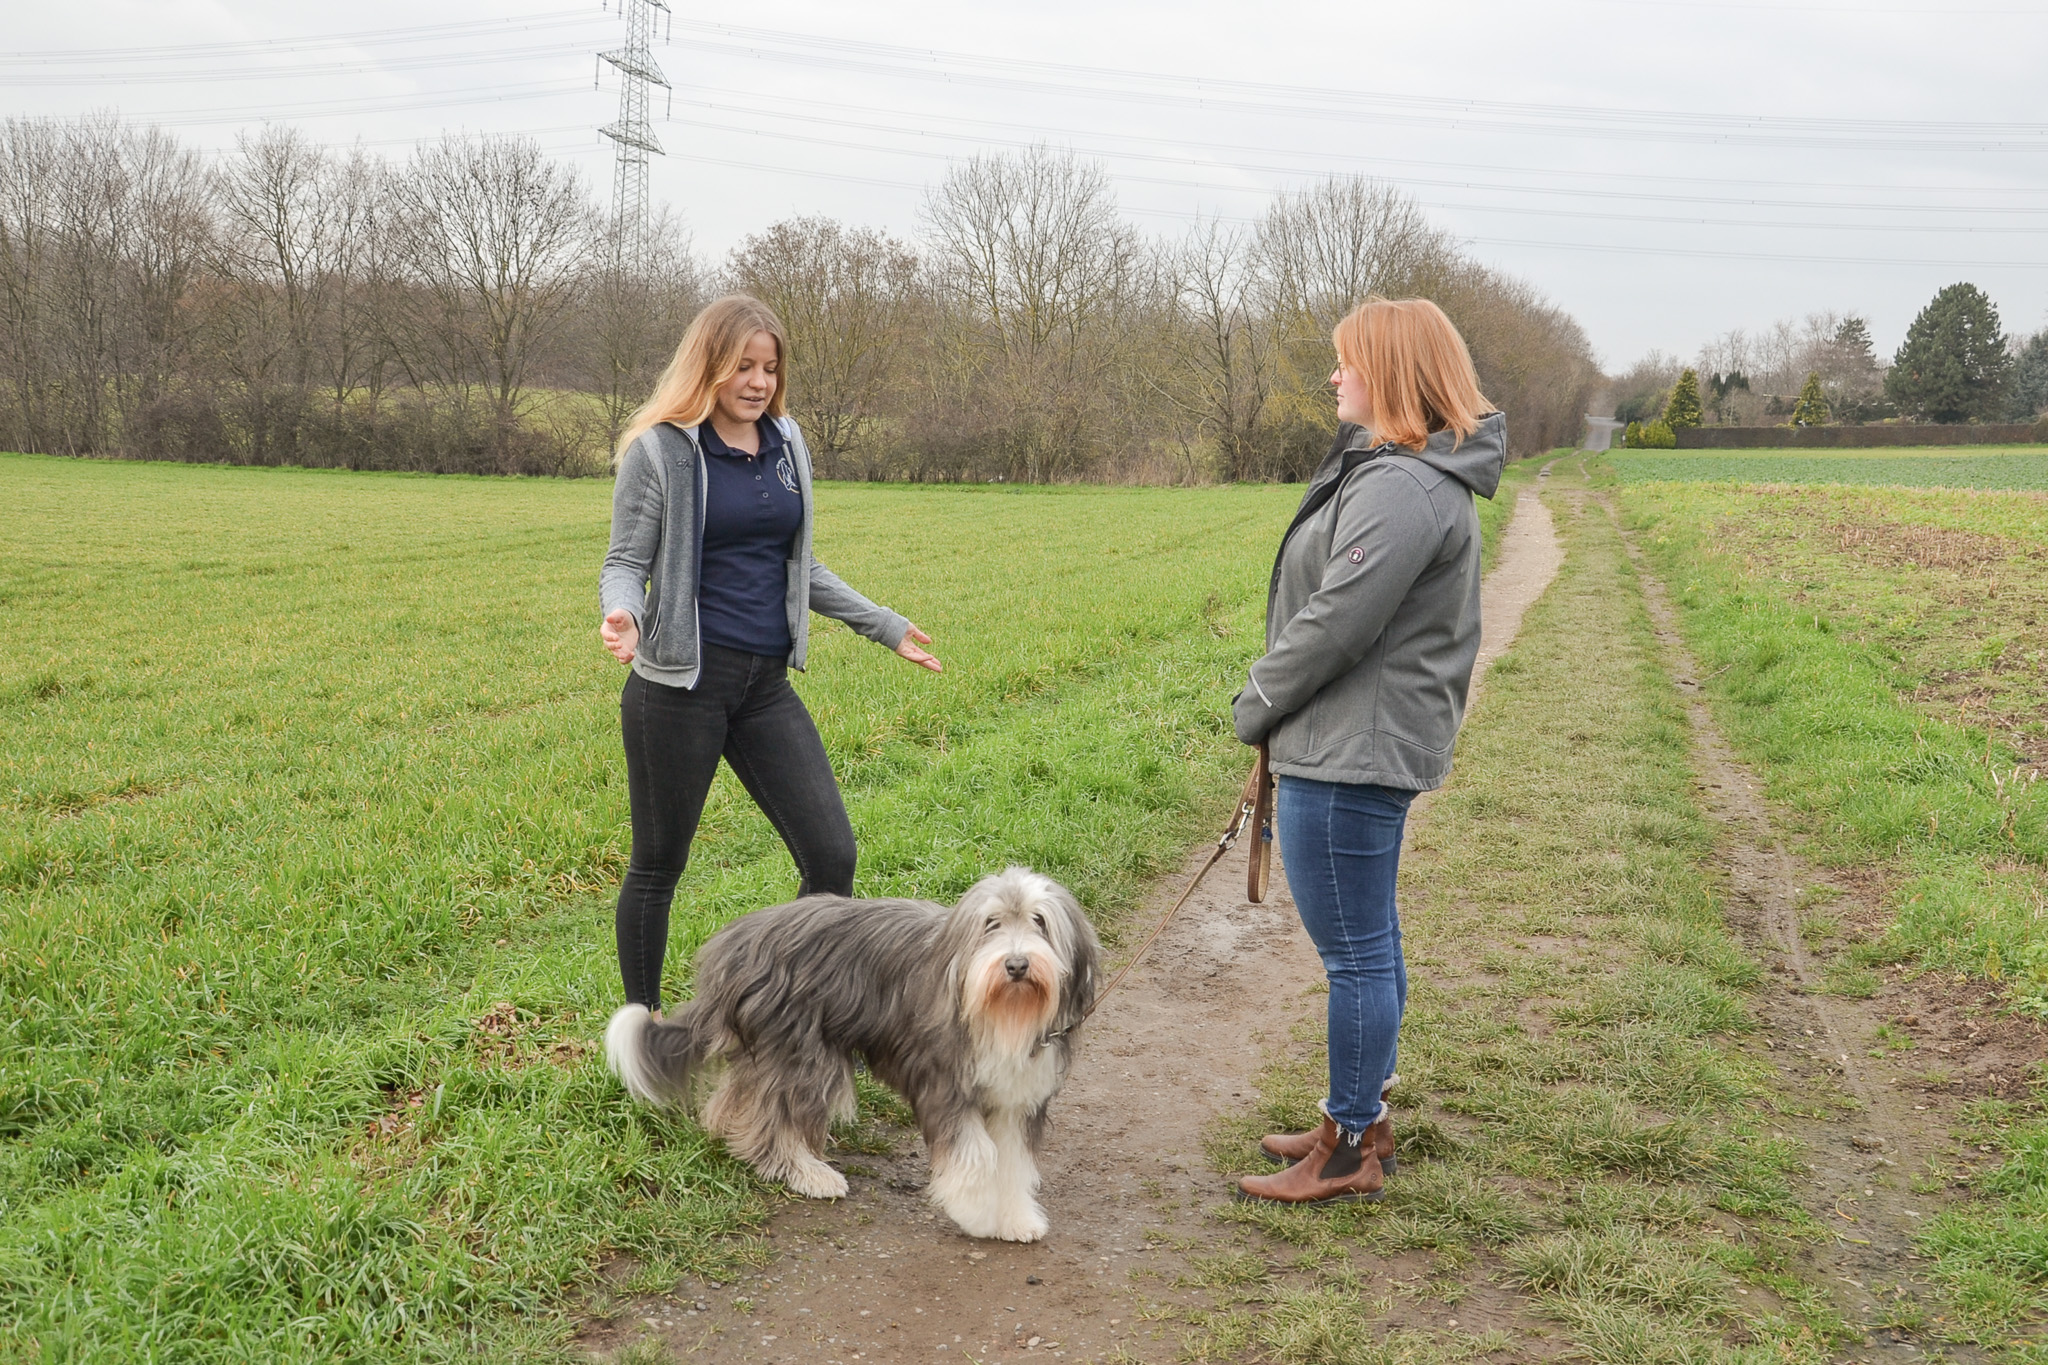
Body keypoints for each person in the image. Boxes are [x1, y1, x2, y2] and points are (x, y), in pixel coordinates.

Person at [1231, 296, 1505, 1205]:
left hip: (1351, 752)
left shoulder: (1404, 487)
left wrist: (1259, 698)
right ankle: (1359, 1116)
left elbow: (1336, 621)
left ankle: (1347, 1148)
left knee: (1354, 953)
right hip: (1351, 742)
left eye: (1347, 361)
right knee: (1371, 942)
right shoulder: (1403, 472)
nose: (1335, 374)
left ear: (1388, 373)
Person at [598, 294, 940, 1012]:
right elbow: (625, 560)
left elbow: (802, 568)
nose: (758, 381)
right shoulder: (661, 450)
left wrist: (883, 624)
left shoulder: (787, 444)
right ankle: (645, 1032)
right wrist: (622, 612)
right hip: (678, 689)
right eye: (743, 366)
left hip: (763, 687)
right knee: (659, 867)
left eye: (769, 368)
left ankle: (790, 1015)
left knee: (831, 854)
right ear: (709, 365)